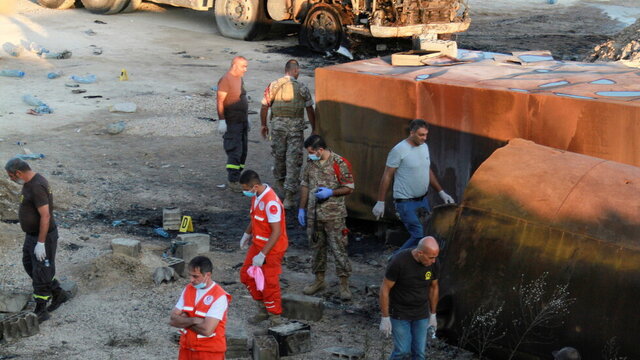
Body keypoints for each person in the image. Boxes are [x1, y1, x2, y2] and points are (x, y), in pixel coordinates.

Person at [372, 119, 455, 252]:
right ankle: (395, 263)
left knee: (427, 233)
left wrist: (441, 192)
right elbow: (387, 175)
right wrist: (380, 201)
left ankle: (415, 266)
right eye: (421, 135)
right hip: (406, 202)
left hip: (422, 200)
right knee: (419, 236)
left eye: (426, 135)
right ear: (412, 133)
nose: (424, 138)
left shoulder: (424, 147)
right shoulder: (399, 150)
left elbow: (426, 170)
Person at [5, 158, 68, 323]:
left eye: (11, 176)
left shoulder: (36, 186)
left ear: (18, 173)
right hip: (31, 235)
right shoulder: (29, 182)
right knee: (30, 265)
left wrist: (41, 243)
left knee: (41, 272)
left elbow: (45, 216)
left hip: (42, 237)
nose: (10, 179)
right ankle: (58, 293)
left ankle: (41, 310)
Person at [297, 135, 355, 300]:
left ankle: (344, 284)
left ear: (320, 150)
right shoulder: (311, 163)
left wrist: (331, 192)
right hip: (313, 215)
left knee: (339, 249)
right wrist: (301, 208)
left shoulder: (339, 163)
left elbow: (349, 187)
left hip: (334, 215)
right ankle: (319, 280)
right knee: (316, 248)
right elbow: (305, 184)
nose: (309, 155)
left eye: (311, 152)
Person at [260, 59, 316, 209]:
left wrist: (264, 125)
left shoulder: (273, 85)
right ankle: (289, 197)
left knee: (279, 157)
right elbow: (310, 110)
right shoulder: (302, 87)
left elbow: (264, 106)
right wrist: (314, 129)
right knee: (293, 160)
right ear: (295, 71)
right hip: (295, 129)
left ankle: (281, 186)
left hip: (278, 128)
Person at [238, 170, 288, 326]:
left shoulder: (271, 202)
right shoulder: (257, 196)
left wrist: (262, 255)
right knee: (246, 276)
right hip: (258, 244)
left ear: (255, 186)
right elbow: (255, 219)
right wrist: (246, 235)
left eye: (246, 189)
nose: (245, 192)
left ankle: (275, 317)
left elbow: (277, 232)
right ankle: (263, 308)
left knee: (269, 284)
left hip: (271, 249)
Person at [379, 236, 440, 360]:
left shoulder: (433, 263)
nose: (433, 261)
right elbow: (385, 289)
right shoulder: (399, 262)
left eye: (435, 257)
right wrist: (385, 317)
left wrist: (433, 314)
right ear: (420, 253)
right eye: (431, 257)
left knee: (419, 353)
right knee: (402, 351)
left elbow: (434, 287)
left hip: (421, 313)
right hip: (400, 312)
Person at [170, 256, 231, 360]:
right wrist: (194, 320)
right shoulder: (188, 289)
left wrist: (184, 320)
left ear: (208, 275)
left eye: (195, 276)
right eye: (190, 275)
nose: (191, 280)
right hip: (186, 349)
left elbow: (207, 330)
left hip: (209, 353)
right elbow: (172, 320)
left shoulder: (219, 296)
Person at [217, 56, 250, 193]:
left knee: (243, 152)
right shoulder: (226, 79)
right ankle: (233, 181)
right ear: (235, 66)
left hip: (241, 121)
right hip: (232, 123)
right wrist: (222, 120)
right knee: (234, 151)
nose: (246, 69)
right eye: (244, 66)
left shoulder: (239, 78)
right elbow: (220, 101)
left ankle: (238, 177)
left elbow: (242, 96)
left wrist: (247, 117)